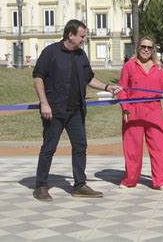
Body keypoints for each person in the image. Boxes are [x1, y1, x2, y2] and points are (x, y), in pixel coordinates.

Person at [32, 19, 122, 201]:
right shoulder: (51, 52)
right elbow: (38, 77)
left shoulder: (81, 55)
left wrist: (107, 87)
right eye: (81, 36)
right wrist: (44, 103)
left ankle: (80, 185)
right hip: (55, 110)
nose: (84, 39)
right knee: (49, 148)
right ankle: (41, 186)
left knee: (80, 147)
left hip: (76, 111)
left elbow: (89, 79)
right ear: (70, 35)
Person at [117, 36, 163, 191]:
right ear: (138, 47)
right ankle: (130, 180)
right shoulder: (129, 66)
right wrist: (124, 108)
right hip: (133, 111)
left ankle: (159, 181)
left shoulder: (158, 68)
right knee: (132, 148)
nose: (146, 50)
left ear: (153, 50)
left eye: (149, 47)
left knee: (159, 147)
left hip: (154, 112)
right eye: (143, 46)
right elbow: (122, 90)